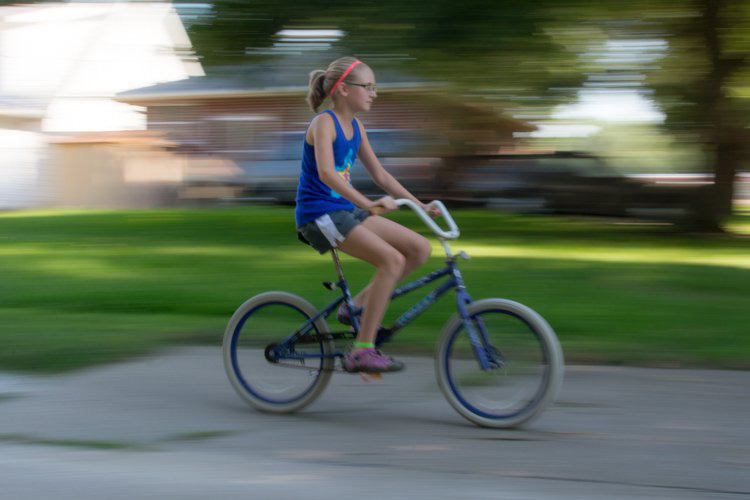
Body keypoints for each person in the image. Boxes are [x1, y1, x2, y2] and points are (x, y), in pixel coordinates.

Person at [295, 56, 439, 374]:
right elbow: (327, 173)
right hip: (319, 215)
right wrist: (369, 205)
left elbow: (381, 175)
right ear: (344, 89)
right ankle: (362, 350)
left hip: (344, 212)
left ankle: (355, 306)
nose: (374, 93)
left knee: (419, 249)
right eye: (368, 86)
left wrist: (421, 205)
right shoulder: (324, 123)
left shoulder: (357, 127)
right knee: (392, 260)